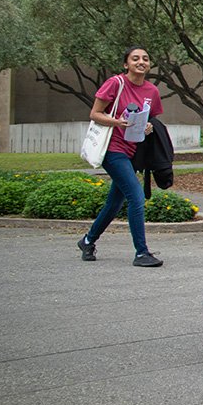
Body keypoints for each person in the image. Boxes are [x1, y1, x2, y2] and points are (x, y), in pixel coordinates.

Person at [77, 46, 164, 268]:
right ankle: (141, 253)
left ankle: (87, 241)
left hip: (133, 152)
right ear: (126, 64)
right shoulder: (115, 83)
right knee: (136, 196)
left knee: (114, 203)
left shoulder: (152, 91)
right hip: (112, 149)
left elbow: (151, 119)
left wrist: (148, 127)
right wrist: (117, 122)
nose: (141, 62)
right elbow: (95, 113)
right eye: (135, 59)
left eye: (145, 58)